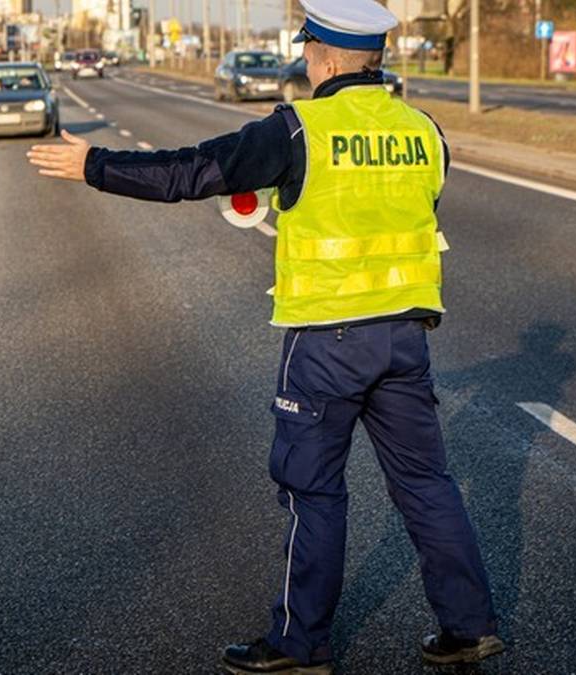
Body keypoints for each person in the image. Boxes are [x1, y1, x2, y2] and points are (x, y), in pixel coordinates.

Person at [27, 1, 503, 671]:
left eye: (307, 50)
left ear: (326, 58)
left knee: (314, 491)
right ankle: (469, 626)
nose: (304, 60)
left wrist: (95, 165)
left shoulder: (298, 130)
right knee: (426, 483)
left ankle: (300, 644)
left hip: (328, 341)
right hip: (406, 336)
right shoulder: (424, 131)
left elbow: (192, 172)